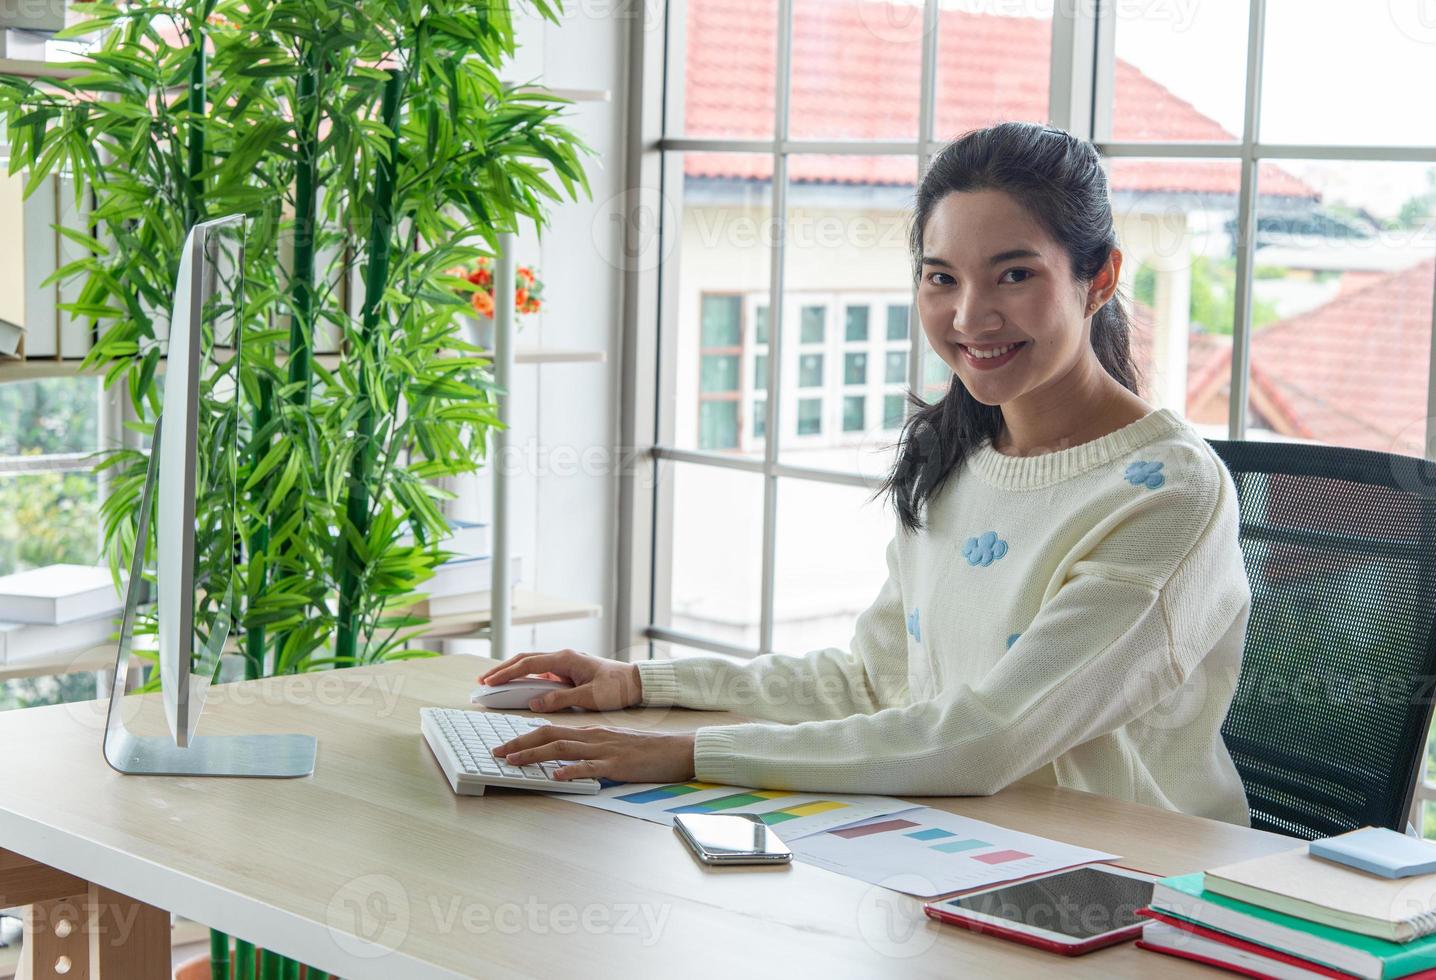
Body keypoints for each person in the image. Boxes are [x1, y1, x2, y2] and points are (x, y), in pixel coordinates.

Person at [479, 120, 1253, 826]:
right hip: (958, 835)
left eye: (1015, 276)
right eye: (941, 277)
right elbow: (871, 683)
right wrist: (642, 686)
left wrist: (683, 756)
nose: (970, 317)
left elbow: (987, 736)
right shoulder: (967, 453)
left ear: (1102, 278)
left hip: (1131, 876)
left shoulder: (1169, 494)